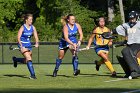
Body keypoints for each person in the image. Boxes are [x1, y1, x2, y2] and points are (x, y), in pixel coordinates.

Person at [114, 11, 140, 79]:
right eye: (130, 19)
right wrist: (110, 32)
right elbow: (117, 29)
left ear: (137, 18)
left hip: (137, 44)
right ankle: (129, 72)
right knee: (122, 56)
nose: (131, 20)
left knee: (128, 52)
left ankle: (136, 71)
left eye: (133, 19)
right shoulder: (126, 25)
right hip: (129, 44)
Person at [12, 14, 39, 79]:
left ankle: (15, 59)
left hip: (28, 45)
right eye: (30, 19)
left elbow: (36, 36)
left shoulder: (33, 27)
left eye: (32, 19)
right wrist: (21, 46)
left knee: (26, 60)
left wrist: (37, 43)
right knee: (29, 59)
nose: (31, 21)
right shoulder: (22, 27)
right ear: (26, 20)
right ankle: (33, 75)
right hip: (22, 44)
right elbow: (18, 38)